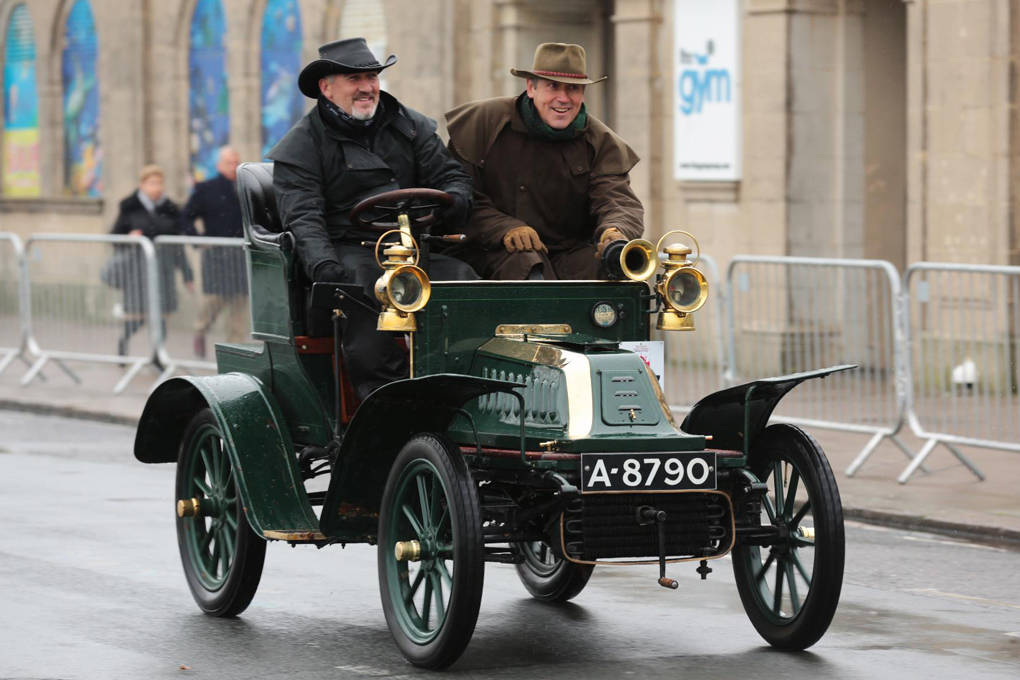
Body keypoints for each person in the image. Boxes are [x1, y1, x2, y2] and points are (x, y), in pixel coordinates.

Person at [267, 37, 476, 400]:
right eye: (354, 79)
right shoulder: (301, 145)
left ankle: (468, 387)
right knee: (362, 292)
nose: (366, 88)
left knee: (466, 283)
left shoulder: (410, 126)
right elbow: (303, 217)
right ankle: (386, 403)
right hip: (348, 251)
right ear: (326, 88)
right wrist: (326, 268)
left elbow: (450, 176)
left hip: (414, 248)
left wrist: (455, 200)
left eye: (371, 77)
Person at [445, 42, 644, 280]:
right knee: (525, 266)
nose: (563, 98)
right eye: (552, 87)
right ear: (531, 88)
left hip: (566, 253)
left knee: (614, 272)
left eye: (573, 88)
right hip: (490, 251)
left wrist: (616, 231)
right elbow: (460, 195)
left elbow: (616, 200)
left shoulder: (600, 141)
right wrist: (504, 227)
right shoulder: (483, 123)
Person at [110, 164, 193, 357]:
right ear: (142, 185)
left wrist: (187, 275)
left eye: (159, 183)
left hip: (163, 271)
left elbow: (178, 245)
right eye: (152, 183)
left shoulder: (170, 208)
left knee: (161, 318)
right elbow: (114, 236)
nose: (157, 187)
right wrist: (129, 237)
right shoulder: (129, 206)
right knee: (136, 318)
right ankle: (124, 342)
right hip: (138, 274)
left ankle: (157, 355)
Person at [182, 146, 248, 357]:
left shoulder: (247, 188)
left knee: (240, 305)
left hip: (241, 256)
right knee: (214, 301)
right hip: (216, 257)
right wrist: (199, 240)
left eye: (236, 162)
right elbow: (185, 218)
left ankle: (234, 351)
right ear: (219, 165)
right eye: (229, 162)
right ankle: (200, 331)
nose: (234, 166)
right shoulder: (206, 189)